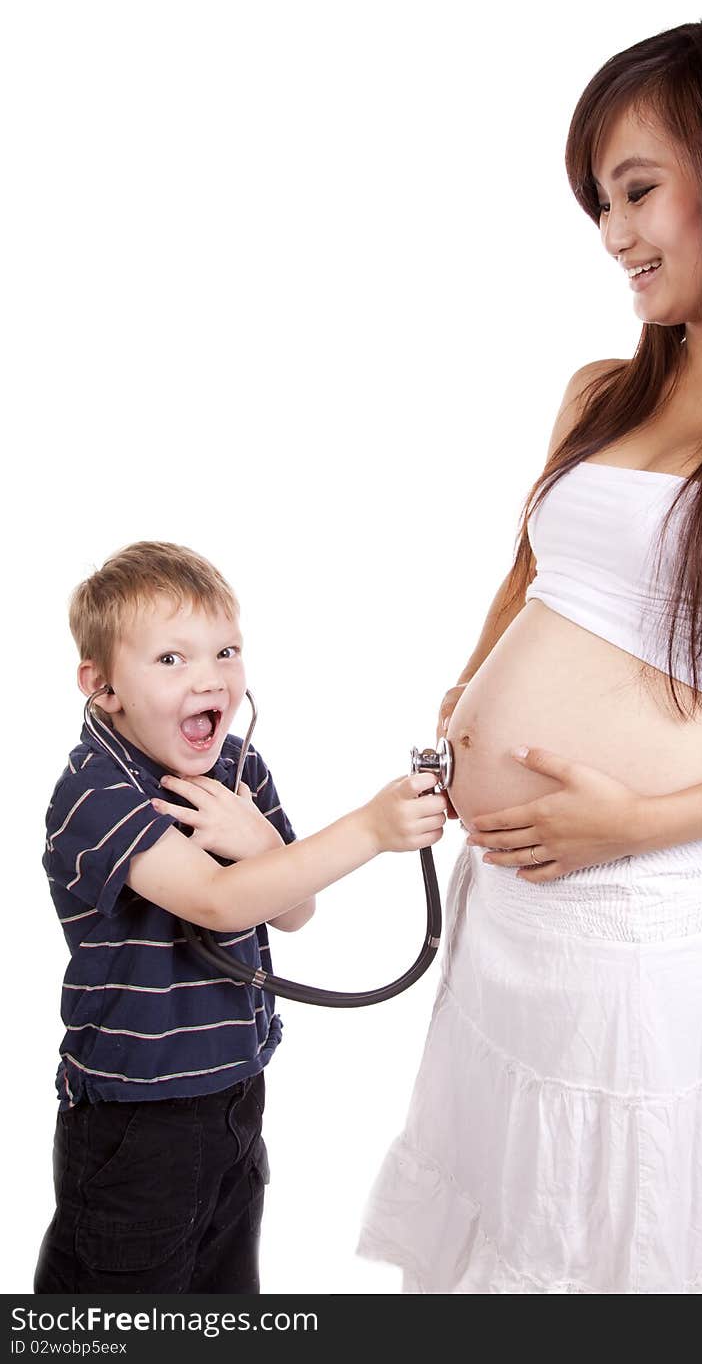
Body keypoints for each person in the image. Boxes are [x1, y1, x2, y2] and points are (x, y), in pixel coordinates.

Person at [356, 3, 702, 1293]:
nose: (612, 236)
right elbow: (528, 571)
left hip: (642, 928)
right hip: (511, 912)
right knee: (504, 1220)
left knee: (622, 1251)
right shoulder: (605, 389)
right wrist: (462, 716)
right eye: (598, 201)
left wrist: (639, 821)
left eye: (636, 190)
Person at [34, 540, 447, 1294]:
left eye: (226, 651)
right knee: (116, 1310)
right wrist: (370, 830)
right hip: (137, 1118)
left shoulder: (233, 767)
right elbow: (218, 901)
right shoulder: (97, 793)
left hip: (235, 1093)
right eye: (171, 660)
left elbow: (293, 910)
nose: (209, 679)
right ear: (102, 687)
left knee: (222, 1293)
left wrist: (257, 838)